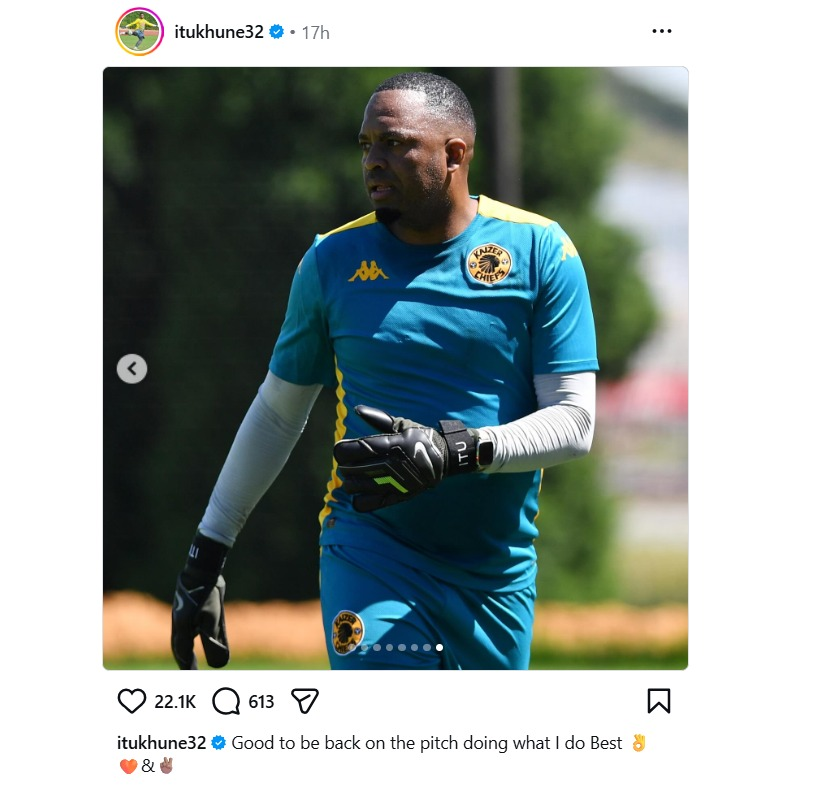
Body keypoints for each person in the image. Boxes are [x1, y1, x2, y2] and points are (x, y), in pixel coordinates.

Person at [171, 71, 599, 670]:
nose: (373, 160)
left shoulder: (541, 250)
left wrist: (454, 451)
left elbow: (575, 422)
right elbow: (276, 414)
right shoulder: (330, 261)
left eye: (395, 143)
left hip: (497, 577)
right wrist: (207, 552)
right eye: (366, 144)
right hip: (370, 552)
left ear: (455, 154)